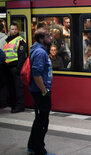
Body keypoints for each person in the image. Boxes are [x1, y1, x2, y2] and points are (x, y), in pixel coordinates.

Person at [27, 27, 54, 155]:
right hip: (40, 92)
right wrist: (44, 91)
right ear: (41, 39)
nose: (51, 38)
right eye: (48, 36)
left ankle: (32, 147)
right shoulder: (40, 53)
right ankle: (39, 150)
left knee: (39, 120)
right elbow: (36, 74)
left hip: (40, 90)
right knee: (42, 121)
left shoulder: (40, 50)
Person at [3, 23, 28, 113]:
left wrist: (19, 68)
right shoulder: (8, 41)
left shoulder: (20, 40)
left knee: (18, 88)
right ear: (9, 30)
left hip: (15, 67)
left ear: (18, 30)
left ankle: (20, 106)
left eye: (15, 29)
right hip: (8, 67)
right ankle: (13, 105)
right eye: (12, 29)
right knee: (11, 88)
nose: (14, 31)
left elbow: (22, 56)